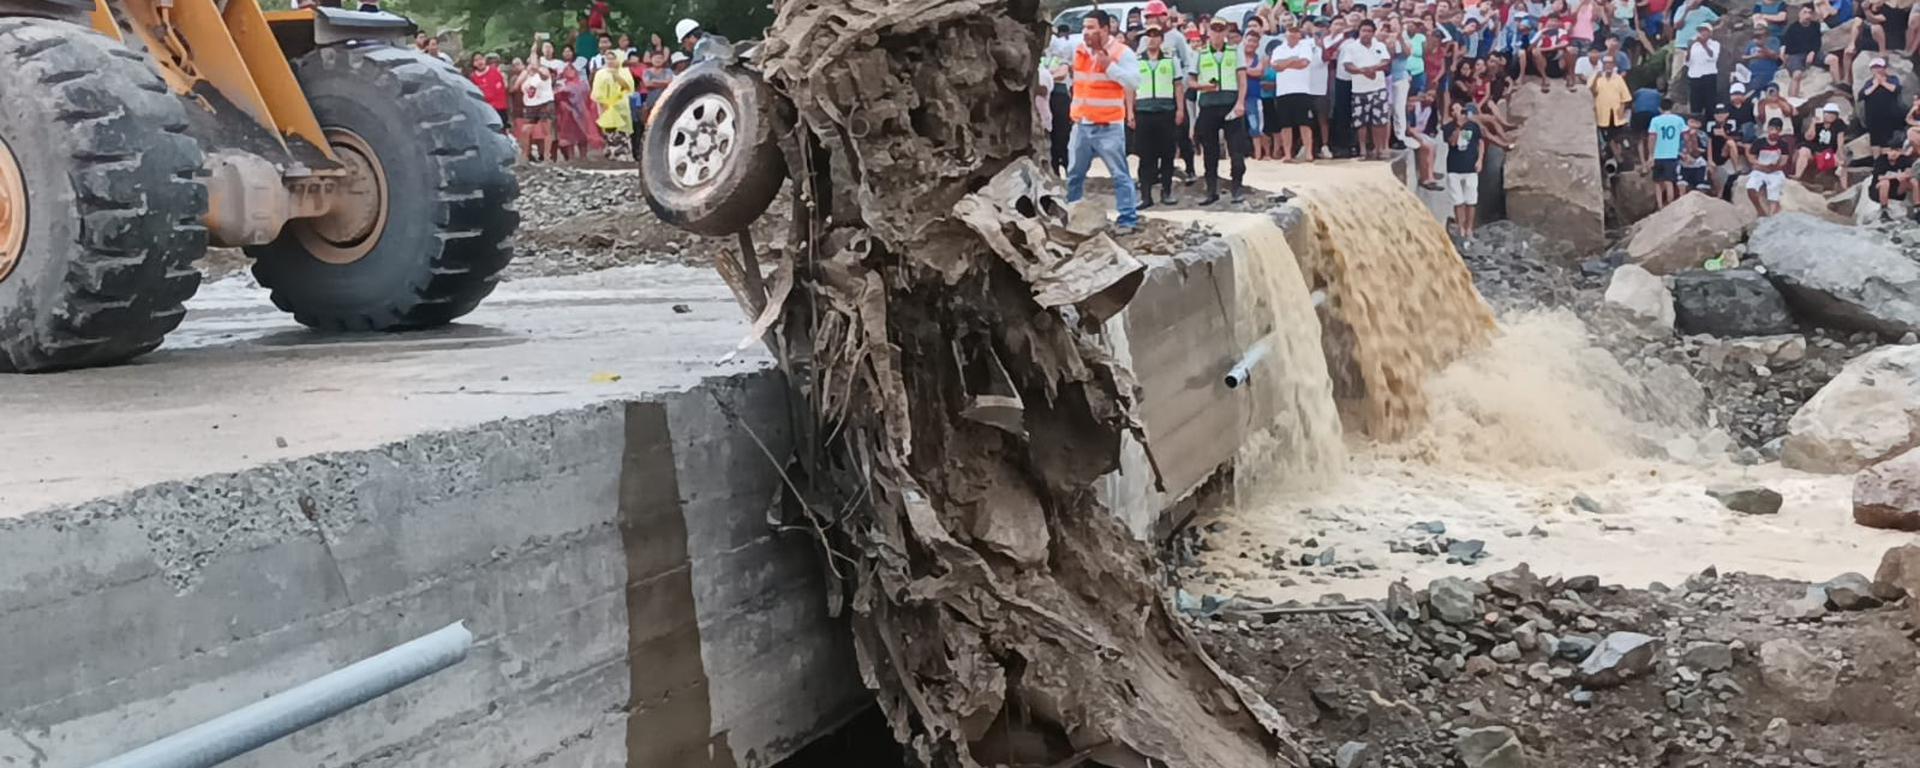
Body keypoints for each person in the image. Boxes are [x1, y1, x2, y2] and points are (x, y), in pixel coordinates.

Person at [1064, 10, 1143, 233]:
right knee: (1074, 175)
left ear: (1106, 29)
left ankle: (1127, 219)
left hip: (1108, 126)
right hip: (1082, 124)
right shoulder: (1079, 50)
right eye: (1084, 28)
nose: (1086, 32)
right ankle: (1073, 216)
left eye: (1091, 28)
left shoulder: (1121, 52)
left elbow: (1134, 81)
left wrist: (1109, 66)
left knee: (1120, 174)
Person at [1195, 17, 1252, 204]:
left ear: (1226, 32)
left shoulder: (1235, 52)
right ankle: (1211, 191)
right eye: (1214, 29)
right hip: (1208, 105)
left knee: (1236, 150)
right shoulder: (1200, 53)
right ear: (1208, 31)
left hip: (1230, 104)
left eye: (1221, 29)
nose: (1218, 33)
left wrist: (1240, 103)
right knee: (1210, 152)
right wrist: (1203, 86)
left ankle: (1237, 188)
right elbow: (1190, 81)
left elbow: (1242, 80)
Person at [1135, 27, 1186, 208]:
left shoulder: (1171, 60)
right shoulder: (1137, 61)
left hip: (1166, 111)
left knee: (1167, 154)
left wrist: (1180, 109)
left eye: (1156, 36)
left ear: (1161, 40)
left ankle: (1167, 191)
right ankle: (1145, 195)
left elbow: (1178, 85)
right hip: (1143, 111)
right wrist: (1130, 111)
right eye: (1149, 36)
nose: (1152, 39)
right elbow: (1130, 87)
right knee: (1145, 156)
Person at [1341, 19, 1394, 159]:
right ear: (1359, 31)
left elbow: (1386, 61)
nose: (1366, 34)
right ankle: (1363, 150)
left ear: (1373, 32)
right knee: (1360, 122)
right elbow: (1347, 65)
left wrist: (1373, 68)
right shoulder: (1351, 47)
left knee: (1380, 121)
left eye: (1369, 31)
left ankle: (1379, 149)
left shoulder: (1380, 45)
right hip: (1359, 89)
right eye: (1364, 30)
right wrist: (1362, 71)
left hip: (1378, 87)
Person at [1271, 21, 1321, 162]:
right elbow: (1275, 67)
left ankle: (1308, 153)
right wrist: (1292, 60)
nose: (1292, 38)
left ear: (1299, 36)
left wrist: (1285, 63)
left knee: (1304, 123)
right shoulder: (1278, 49)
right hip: (1283, 91)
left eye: (1295, 35)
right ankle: (1287, 154)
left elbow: (1303, 64)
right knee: (1285, 125)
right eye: (1290, 35)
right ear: (1286, 36)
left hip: (1301, 90)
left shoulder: (1305, 47)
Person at [1442, 101, 1486, 238]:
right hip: (1454, 168)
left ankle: (1469, 228)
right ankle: (1460, 227)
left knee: (1471, 200)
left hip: (1470, 167)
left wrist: (1480, 160)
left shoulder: (1473, 126)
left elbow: (1480, 142)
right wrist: (1458, 128)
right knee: (1458, 201)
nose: (1458, 112)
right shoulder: (1448, 127)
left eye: (1459, 109)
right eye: (1454, 110)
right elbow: (1452, 142)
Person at [591, 47, 635, 159]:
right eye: (608, 59)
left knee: (622, 134)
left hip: (621, 108)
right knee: (610, 135)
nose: (610, 61)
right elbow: (596, 92)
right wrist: (604, 104)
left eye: (613, 59)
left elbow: (628, 88)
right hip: (606, 108)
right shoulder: (600, 73)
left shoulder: (625, 72)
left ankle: (624, 157)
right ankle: (610, 157)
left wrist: (616, 75)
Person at [1644, 97, 1687, 207]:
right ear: (1672, 107)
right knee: (1669, 181)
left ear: (1660, 108)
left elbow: (1652, 137)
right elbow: (1686, 135)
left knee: (1658, 182)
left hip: (1658, 154)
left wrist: (1651, 155)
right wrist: (1684, 150)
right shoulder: (1678, 120)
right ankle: (1670, 204)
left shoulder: (1655, 120)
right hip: (1672, 154)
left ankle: (1660, 205)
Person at [1798, 102, 1851, 187]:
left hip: (1828, 152)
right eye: (1828, 113)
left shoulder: (1839, 124)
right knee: (1803, 151)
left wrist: (1840, 155)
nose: (1831, 116)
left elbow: (1840, 141)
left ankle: (1844, 187)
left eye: (1834, 114)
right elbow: (1808, 137)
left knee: (1842, 165)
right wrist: (1813, 124)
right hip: (1814, 151)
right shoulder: (1818, 122)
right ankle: (1797, 176)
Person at [1746, 117, 1792, 215]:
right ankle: (1759, 210)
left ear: (1780, 131)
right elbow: (1751, 158)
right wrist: (1760, 165)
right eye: (1772, 129)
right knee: (1751, 187)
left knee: (1774, 188)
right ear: (1768, 129)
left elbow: (1784, 160)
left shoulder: (1783, 144)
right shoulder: (1759, 142)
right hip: (1760, 169)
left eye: (1776, 129)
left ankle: (1772, 213)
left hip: (1774, 171)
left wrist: (1774, 167)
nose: (1773, 132)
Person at [1591, 56, 1633, 160]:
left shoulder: (1618, 79)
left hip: (1616, 114)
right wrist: (1596, 77)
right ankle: (1617, 158)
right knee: (1608, 138)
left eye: (1610, 63)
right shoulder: (1597, 78)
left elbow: (1625, 97)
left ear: (1614, 65)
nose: (1608, 66)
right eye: (1606, 63)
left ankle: (1619, 157)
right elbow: (1592, 91)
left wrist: (1621, 110)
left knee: (1618, 137)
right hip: (1603, 114)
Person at [1045, 25, 1074, 175]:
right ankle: (1054, 168)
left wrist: (1047, 77)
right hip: (1044, 98)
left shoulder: (1062, 53)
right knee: (1049, 135)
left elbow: (1062, 73)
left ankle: (1068, 166)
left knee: (1062, 134)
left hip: (1059, 96)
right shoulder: (1042, 57)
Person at [516, 59, 555, 162]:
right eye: (529, 63)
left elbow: (545, 76)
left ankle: (547, 157)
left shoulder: (543, 71)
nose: (530, 66)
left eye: (532, 63)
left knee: (546, 129)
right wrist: (524, 75)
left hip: (545, 103)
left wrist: (537, 69)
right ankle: (525, 155)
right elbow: (515, 87)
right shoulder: (527, 76)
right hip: (531, 106)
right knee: (525, 130)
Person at [1861, 57, 1906, 147]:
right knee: (1876, 143)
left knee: (1892, 142)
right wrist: (1875, 85)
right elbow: (1863, 94)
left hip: (1891, 116)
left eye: (1879, 67)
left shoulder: (1892, 79)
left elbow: (1895, 89)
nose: (1877, 70)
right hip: (1874, 118)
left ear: (1885, 68)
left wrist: (1882, 83)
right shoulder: (1869, 82)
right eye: (1874, 68)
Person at [1782, 6, 1822, 97]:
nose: (1807, 15)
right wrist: (1783, 54)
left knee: (1833, 59)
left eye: (1809, 12)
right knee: (1797, 74)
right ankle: (1793, 99)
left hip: (1812, 52)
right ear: (1799, 14)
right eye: (1805, 12)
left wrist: (1812, 52)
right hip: (1796, 55)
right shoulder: (1793, 28)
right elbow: (1785, 44)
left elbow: (1817, 42)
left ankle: (1840, 87)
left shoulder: (1815, 26)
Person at [1870, 135, 1915, 213]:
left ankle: (1917, 207)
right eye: (1891, 150)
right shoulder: (1881, 159)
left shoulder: (1905, 159)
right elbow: (1879, 177)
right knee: (1885, 183)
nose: (1893, 153)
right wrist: (1895, 176)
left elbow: (1909, 172)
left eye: (1897, 151)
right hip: (1878, 190)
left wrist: (1904, 175)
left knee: (1913, 182)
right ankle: (1884, 210)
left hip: (1897, 190)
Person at [1685, 21, 1721, 117]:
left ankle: (1710, 122)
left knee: (1710, 102)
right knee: (1695, 103)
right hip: (1694, 76)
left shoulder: (1714, 44)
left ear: (1710, 32)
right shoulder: (1694, 45)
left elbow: (1713, 57)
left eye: (1705, 30)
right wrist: (1689, 48)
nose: (1702, 33)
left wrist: (1704, 44)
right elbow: (1688, 62)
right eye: (1701, 31)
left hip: (1708, 75)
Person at [1531, 15, 1576, 91]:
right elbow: (1531, 47)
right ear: (1547, 22)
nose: (1553, 23)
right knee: (1535, 52)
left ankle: (1570, 75)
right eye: (1551, 21)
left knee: (1571, 50)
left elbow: (1565, 43)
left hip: (1559, 61)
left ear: (1559, 23)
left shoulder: (1561, 31)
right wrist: (1539, 39)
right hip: (1544, 62)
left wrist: (1550, 48)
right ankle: (1544, 78)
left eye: (1555, 21)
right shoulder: (1541, 32)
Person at [471, 53, 509, 130]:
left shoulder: (495, 72)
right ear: (473, 64)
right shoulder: (473, 77)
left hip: (499, 108)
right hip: (484, 111)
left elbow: (499, 90)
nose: (479, 62)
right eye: (476, 60)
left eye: (481, 59)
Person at [1679, 114, 1713, 192]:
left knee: (1701, 186)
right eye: (1691, 121)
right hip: (1684, 163)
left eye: (1696, 122)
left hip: (1699, 163)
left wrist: (1710, 161)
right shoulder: (1681, 134)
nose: (1693, 124)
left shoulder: (1703, 135)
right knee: (1682, 184)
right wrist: (1683, 155)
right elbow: (1677, 148)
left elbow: (1703, 149)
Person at [1743, 29, 1783, 95]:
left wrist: (1763, 47)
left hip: (1767, 72)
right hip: (1752, 72)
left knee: (1757, 87)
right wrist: (1753, 56)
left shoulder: (1773, 40)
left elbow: (1775, 56)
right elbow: (1743, 57)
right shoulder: (1751, 43)